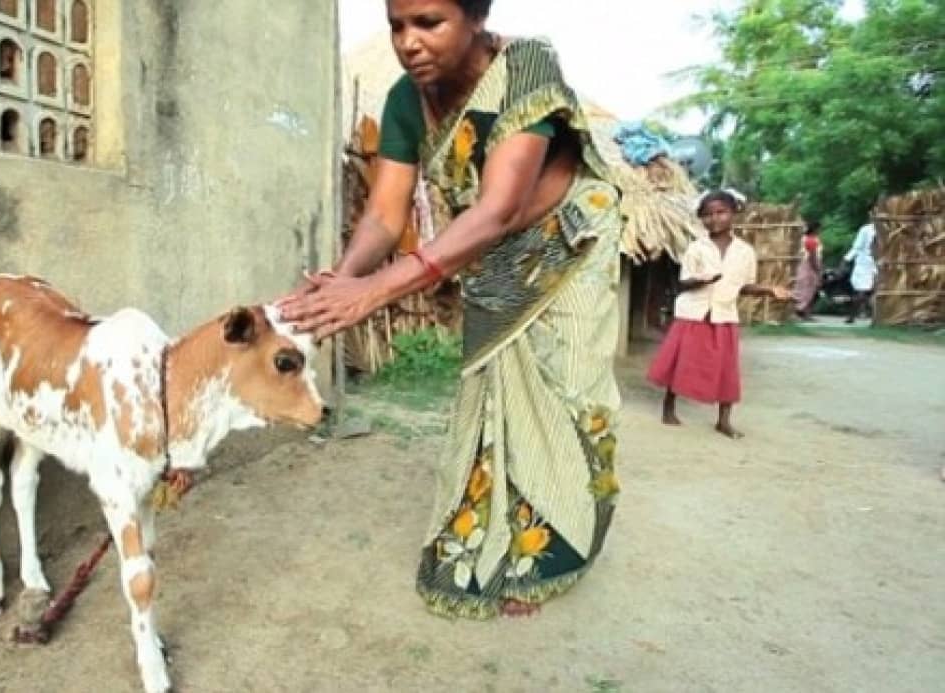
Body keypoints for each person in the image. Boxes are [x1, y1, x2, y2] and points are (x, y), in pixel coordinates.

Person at [278, 0, 623, 620]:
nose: (408, 42)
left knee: (569, 395)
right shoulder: (405, 102)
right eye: (396, 25)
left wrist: (378, 291)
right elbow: (385, 215)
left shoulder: (526, 68)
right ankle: (503, 535)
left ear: (476, 18)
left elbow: (498, 210)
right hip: (492, 257)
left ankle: (562, 547)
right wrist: (343, 279)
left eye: (428, 23)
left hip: (570, 243)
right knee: (498, 399)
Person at [647, 190, 792, 439]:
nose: (715, 219)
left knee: (726, 368)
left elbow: (744, 285)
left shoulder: (745, 252)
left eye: (721, 212)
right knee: (681, 361)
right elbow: (683, 283)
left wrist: (769, 290)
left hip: (724, 314)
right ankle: (668, 406)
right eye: (708, 215)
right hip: (693, 312)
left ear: (733, 213)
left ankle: (724, 420)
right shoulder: (696, 248)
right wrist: (701, 281)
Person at [844, 219, 878, 323]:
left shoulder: (887, 228)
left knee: (865, 292)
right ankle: (856, 315)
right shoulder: (866, 230)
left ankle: (855, 316)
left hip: (875, 262)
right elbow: (857, 247)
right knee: (863, 291)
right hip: (865, 262)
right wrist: (847, 259)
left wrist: (846, 260)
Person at [793, 221, 823, 320]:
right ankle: (802, 311)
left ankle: (804, 312)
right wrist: (818, 271)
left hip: (802, 265)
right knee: (809, 289)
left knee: (803, 288)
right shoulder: (811, 240)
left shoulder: (803, 239)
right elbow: (813, 257)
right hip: (809, 266)